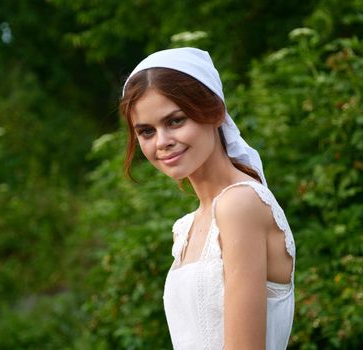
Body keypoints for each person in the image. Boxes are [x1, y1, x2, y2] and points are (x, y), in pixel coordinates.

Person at [120, 47, 295, 350]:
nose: (162, 142)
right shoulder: (186, 227)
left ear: (214, 112)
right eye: (147, 131)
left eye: (175, 121)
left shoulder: (239, 204)